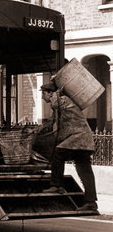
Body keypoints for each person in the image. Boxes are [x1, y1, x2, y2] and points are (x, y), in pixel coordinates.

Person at [38, 82, 97, 211]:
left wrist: (56, 94)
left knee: (58, 154)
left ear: (49, 93)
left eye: (44, 94)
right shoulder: (60, 104)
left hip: (78, 138)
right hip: (83, 141)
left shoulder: (62, 100)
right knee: (85, 172)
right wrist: (37, 130)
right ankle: (91, 202)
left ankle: (56, 186)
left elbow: (56, 103)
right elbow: (52, 122)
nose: (43, 97)